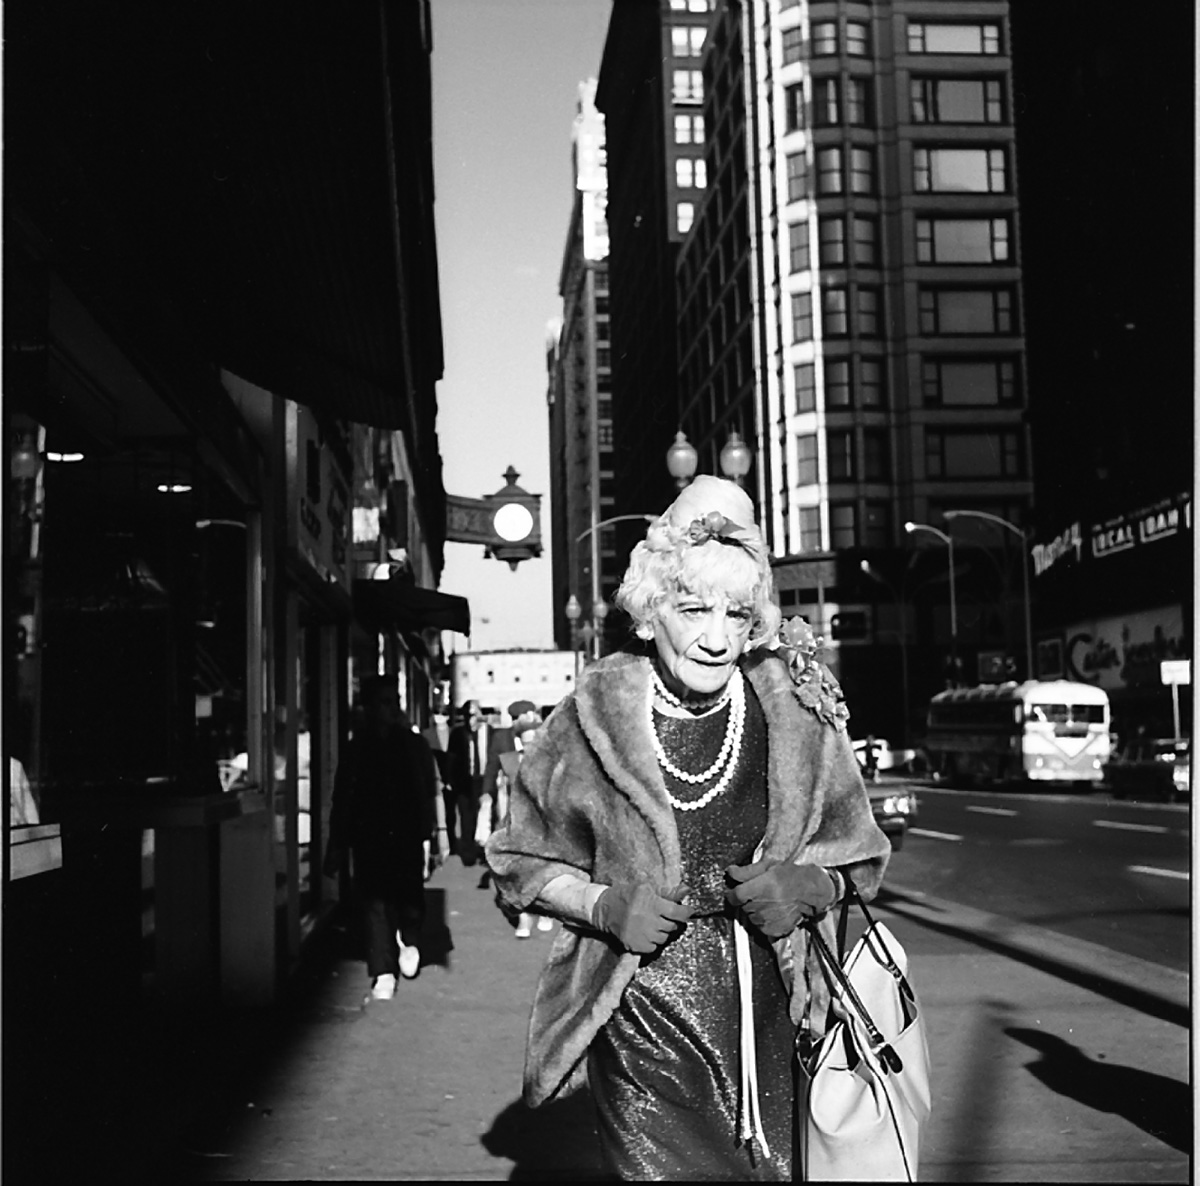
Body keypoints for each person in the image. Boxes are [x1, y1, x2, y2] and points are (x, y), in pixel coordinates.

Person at [485, 476, 892, 1180]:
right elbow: (519, 857)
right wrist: (603, 906)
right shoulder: (590, 716)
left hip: (777, 1017)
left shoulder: (798, 713)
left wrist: (808, 884)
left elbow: (862, 859)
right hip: (643, 1018)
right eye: (692, 608)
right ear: (648, 613)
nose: (714, 637)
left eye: (736, 614)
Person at [324, 676, 436, 1001]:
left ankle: (409, 936)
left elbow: (425, 793)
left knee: (409, 899)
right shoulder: (356, 748)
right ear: (370, 707)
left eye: (394, 701)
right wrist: (337, 843)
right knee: (375, 904)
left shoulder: (413, 745)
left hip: (407, 835)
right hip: (369, 837)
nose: (392, 708)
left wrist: (430, 837)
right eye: (385, 702)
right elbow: (343, 797)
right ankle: (383, 969)